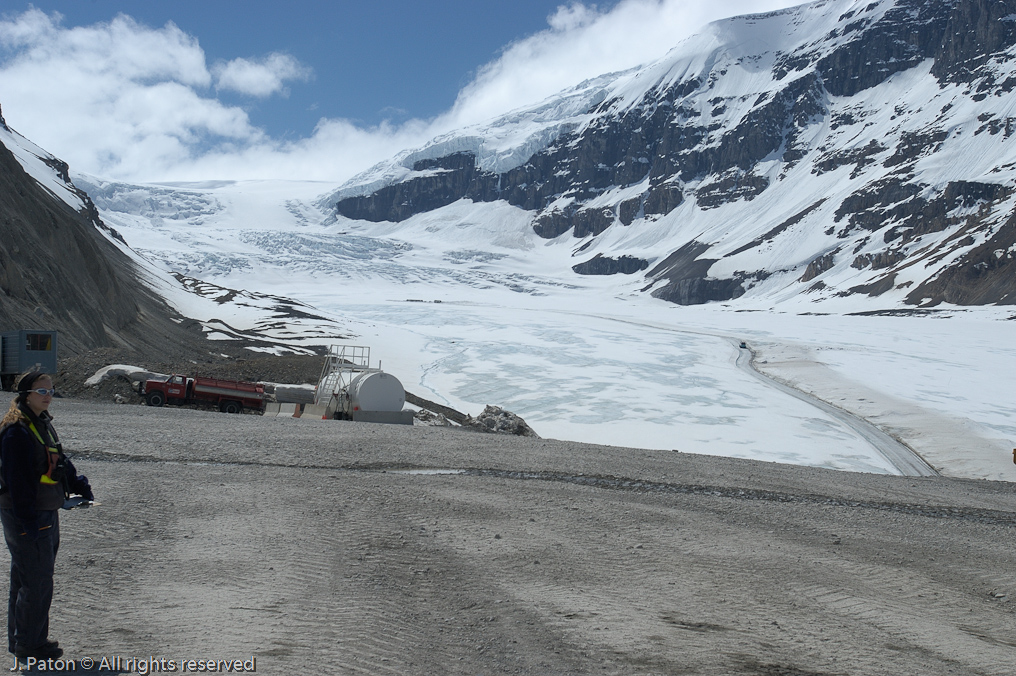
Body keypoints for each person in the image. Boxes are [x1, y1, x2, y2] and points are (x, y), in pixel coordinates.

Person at [0, 372, 93, 661]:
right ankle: (30, 644)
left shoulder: (40, 424)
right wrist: (27, 520)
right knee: (37, 581)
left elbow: (58, 459)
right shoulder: (17, 430)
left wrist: (77, 483)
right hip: (29, 515)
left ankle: (24, 640)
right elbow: (17, 480)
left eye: (51, 390)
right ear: (27, 394)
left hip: (44, 510)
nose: (48, 395)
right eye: (41, 390)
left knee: (27, 577)